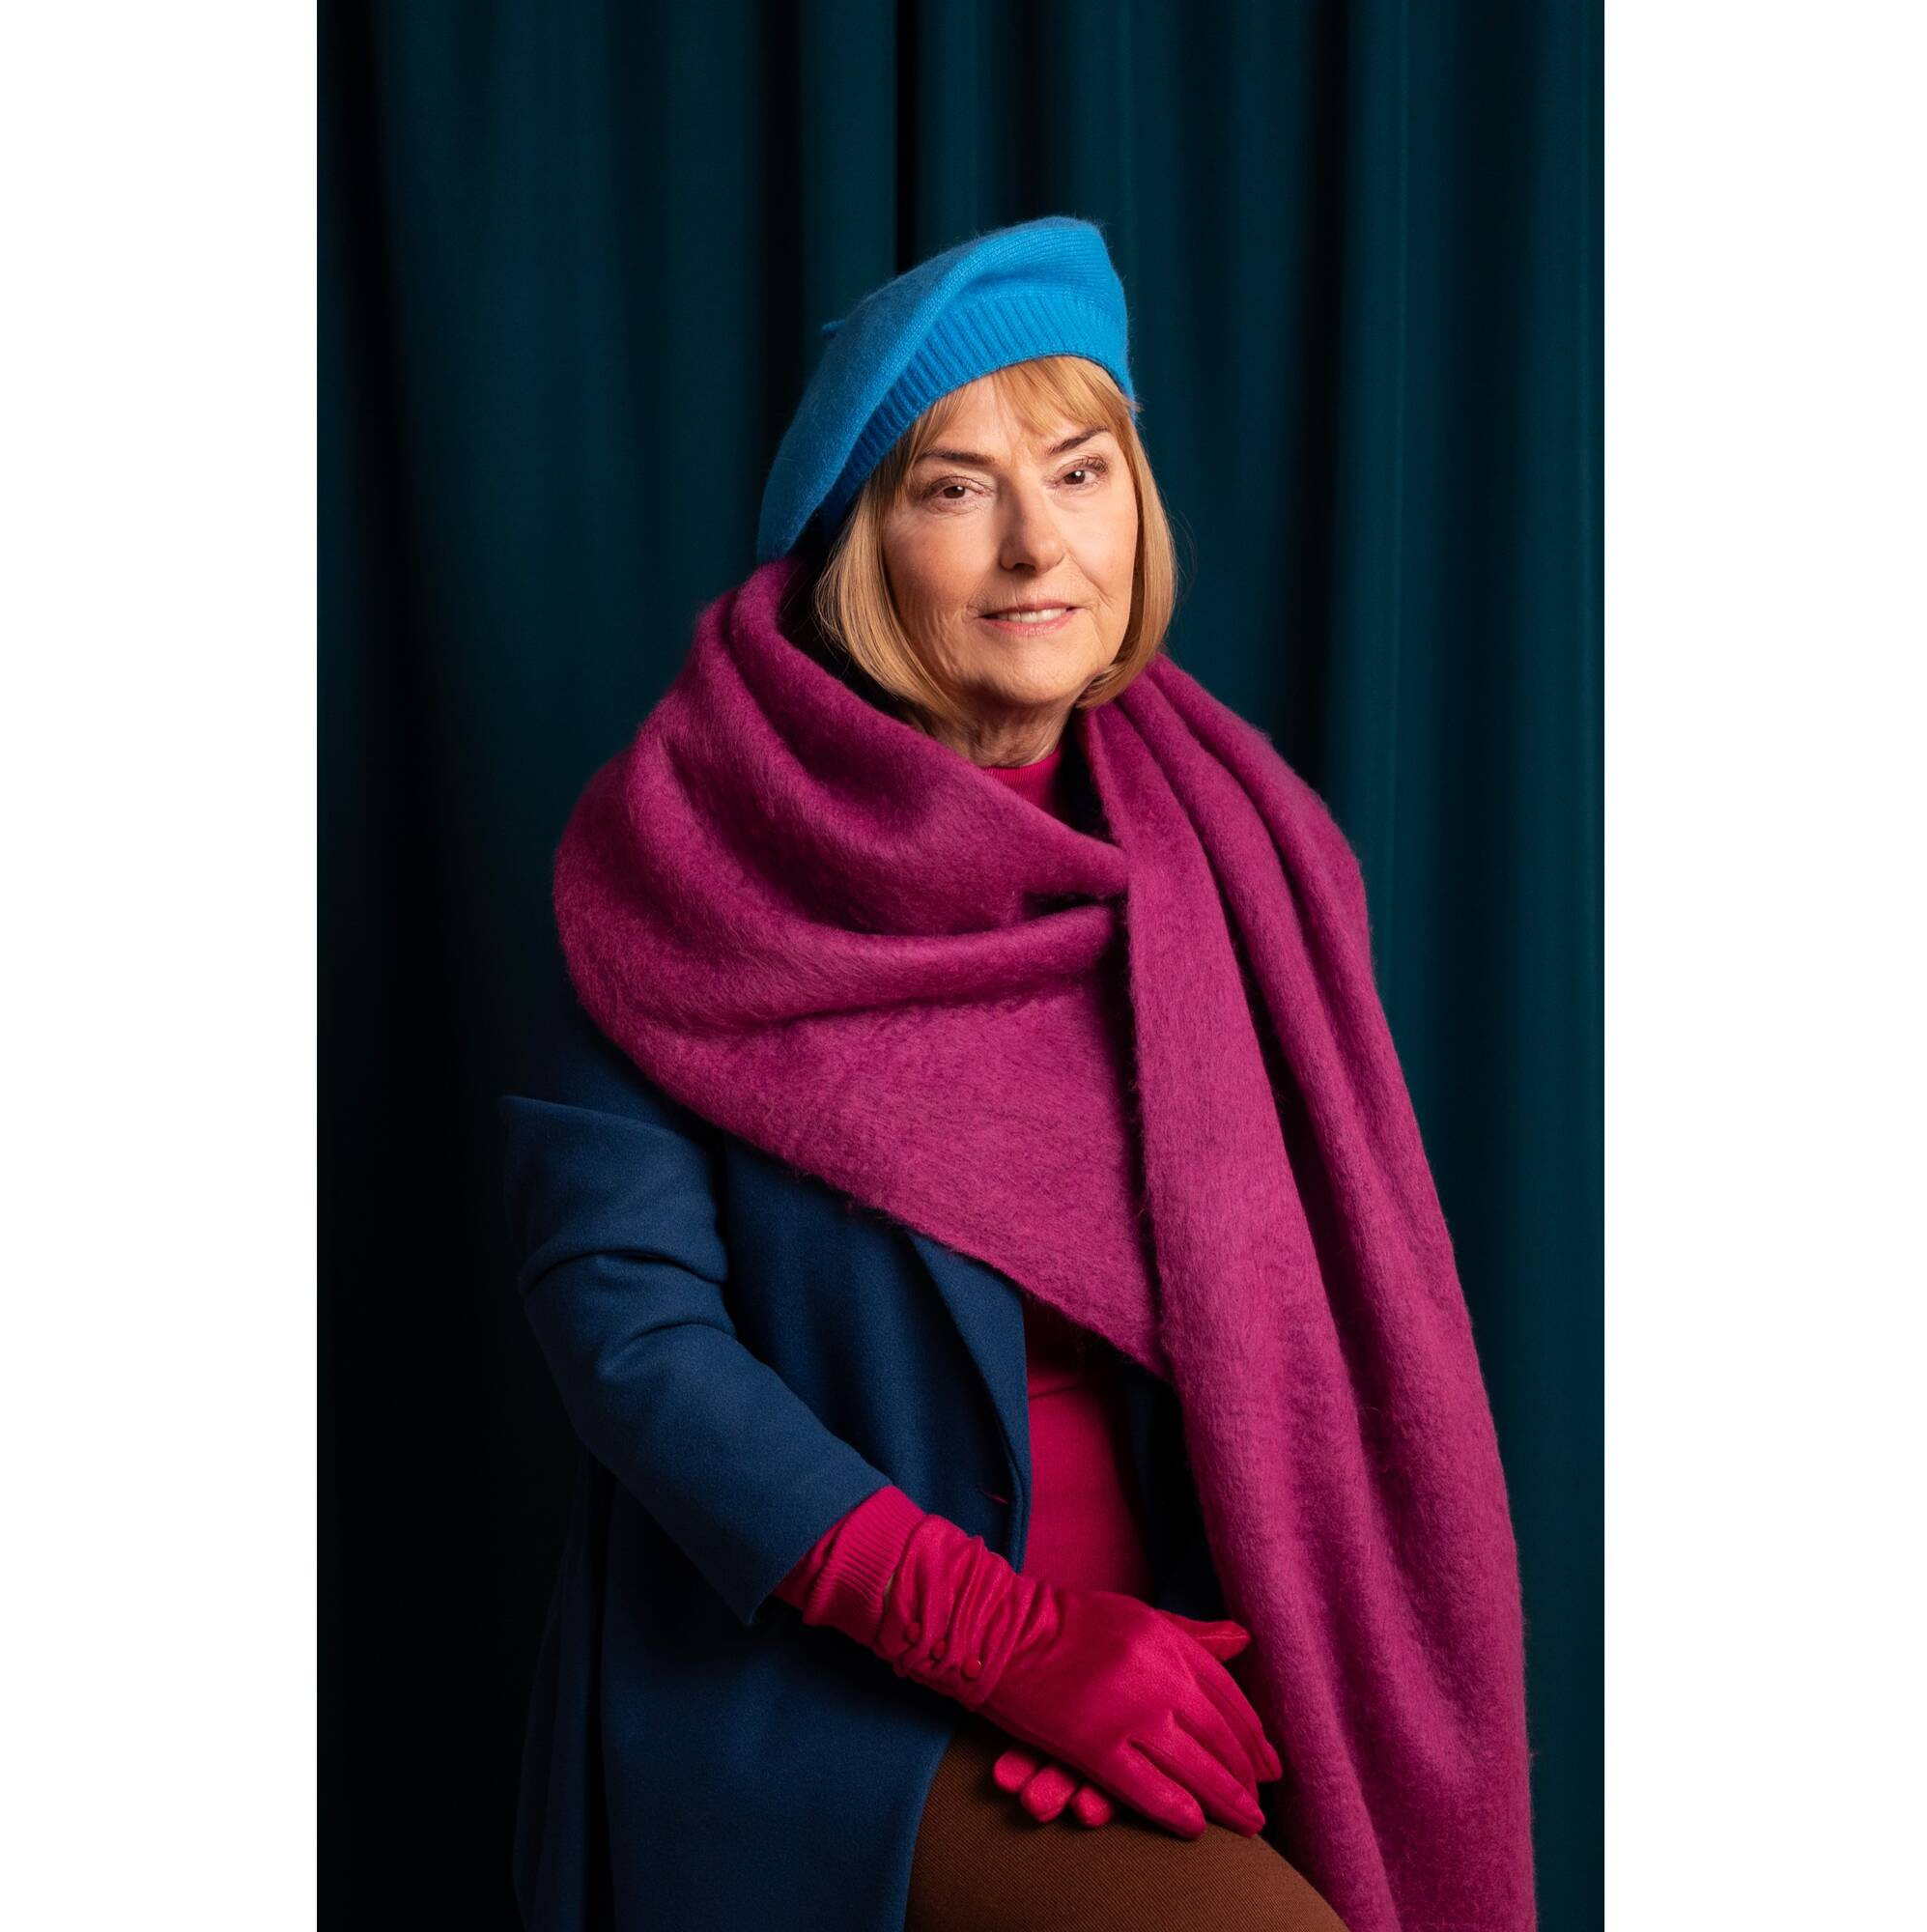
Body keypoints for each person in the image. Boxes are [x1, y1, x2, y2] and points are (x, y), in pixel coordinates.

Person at [498, 216, 1537, 1932]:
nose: (1038, 544)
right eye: (955, 488)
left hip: (1209, 1666)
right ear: (857, 546)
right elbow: (630, 1340)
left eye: (1079, 471)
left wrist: (1159, 1671)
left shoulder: (1243, 847)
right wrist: (1014, 1646)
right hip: (837, 1701)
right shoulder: (686, 850)